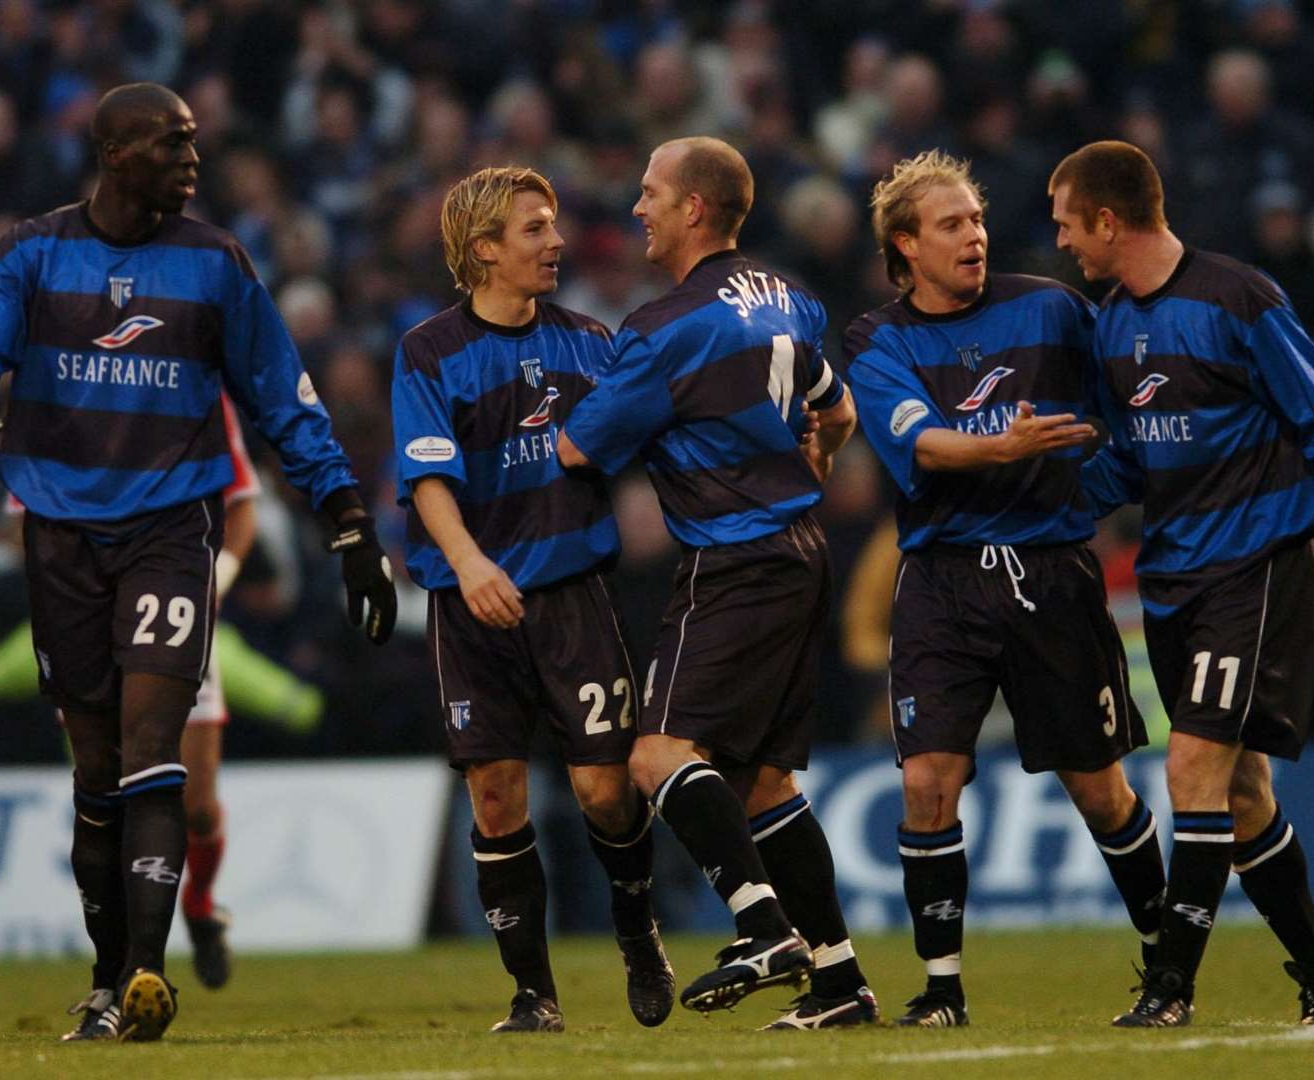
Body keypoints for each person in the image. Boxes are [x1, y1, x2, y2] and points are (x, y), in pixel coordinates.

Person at [0, 82, 396, 1043]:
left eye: (193, 142)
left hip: (173, 529)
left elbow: (284, 402)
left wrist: (347, 518)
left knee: (150, 742)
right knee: (94, 768)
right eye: (172, 143)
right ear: (114, 154)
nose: (192, 158)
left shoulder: (216, 263)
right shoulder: (31, 252)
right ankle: (106, 980)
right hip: (58, 533)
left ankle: (145, 971)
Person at [1047, 140, 1314, 1028]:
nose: (1061, 245)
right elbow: (1128, 461)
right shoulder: (1113, 322)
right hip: (1174, 574)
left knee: (1192, 766)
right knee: (1241, 797)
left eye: (1066, 225)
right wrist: (1040, 505)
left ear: (1108, 220)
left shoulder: (1238, 300)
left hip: (1256, 563)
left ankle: (1168, 988)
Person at [558, 137, 876, 1030]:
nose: (637, 209)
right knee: (766, 784)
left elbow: (580, 449)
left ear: (694, 208)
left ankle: (762, 927)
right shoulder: (789, 299)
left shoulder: (665, 328)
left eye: (650, 192)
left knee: (656, 757)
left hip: (733, 559)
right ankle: (841, 983)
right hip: (801, 549)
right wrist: (817, 455)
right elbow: (837, 409)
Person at [844, 150, 1164, 1028]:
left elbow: (1121, 417)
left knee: (1099, 790)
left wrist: (1083, 491)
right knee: (925, 783)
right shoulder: (876, 339)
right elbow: (920, 445)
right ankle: (940, 989)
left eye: (977, 221)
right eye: (951, 225)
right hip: (942, 584)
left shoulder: (1054, 309)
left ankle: (1166, 966)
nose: (973, 237)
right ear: (904, 244)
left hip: (1051, 575)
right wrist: (1005, 449)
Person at [392, 166, 673, 1034]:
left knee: (601, 790)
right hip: (472, 603)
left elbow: (653, 437)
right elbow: (426, 479)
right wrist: (471, 565)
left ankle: (636, 930)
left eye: (551, 227)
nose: (556, 243)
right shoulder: (429, 351)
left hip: (572, 594)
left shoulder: (592, 340)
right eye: (534, 230)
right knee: (497, 797)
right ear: (483, 251)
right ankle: (532, 994)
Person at [178, 393, 261, 991]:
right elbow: (29, 514)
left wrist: (217, 581)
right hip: (98, 618)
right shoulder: (79, 386)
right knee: (111, 796)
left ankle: (200, 907)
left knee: (198, 806)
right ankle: (126, 957)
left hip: (182, 616)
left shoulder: (204, 401)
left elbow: (241, 512)